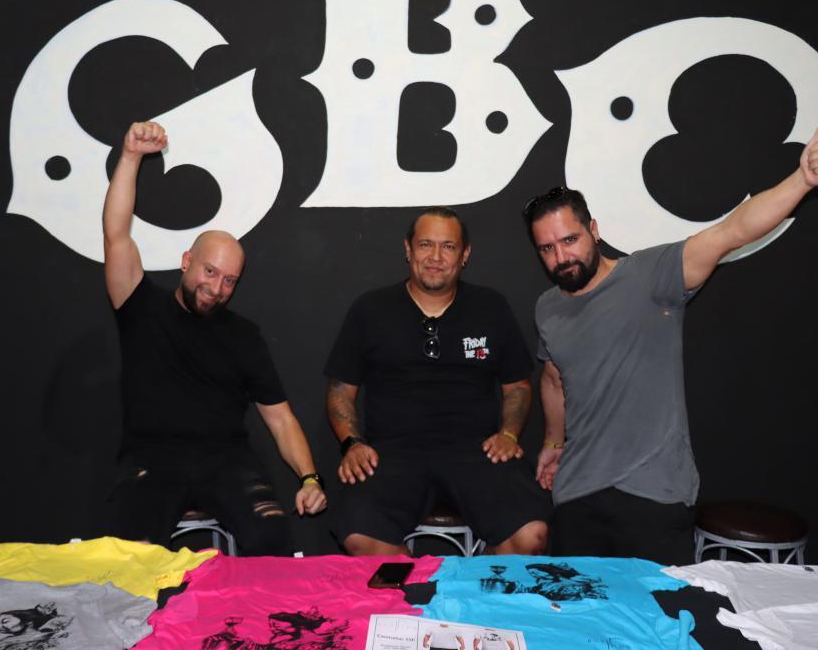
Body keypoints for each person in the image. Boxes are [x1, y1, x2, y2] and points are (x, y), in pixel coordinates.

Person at [524, 121, 818, 564]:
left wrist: (802, 180)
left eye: (570, 240)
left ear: (594, 229)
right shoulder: (547, 308)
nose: (562, 257)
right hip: (577, 493)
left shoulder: (651, 275)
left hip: (654, 493)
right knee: (577, 607)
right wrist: (553, 443)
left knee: (657, 608)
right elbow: (554, 378)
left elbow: (732, 231)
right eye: (547, 248)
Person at [103, 120, 326, 554]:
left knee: (272, 539)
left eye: (229, 280)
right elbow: (117, 234)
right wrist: (130, 157)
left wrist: (310, 477)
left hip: (227, 461)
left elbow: (280, 418)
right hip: (151, 458)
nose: (216, 287)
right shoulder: (139, 305)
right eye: (210, 271)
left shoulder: (244, 336)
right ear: (187, 261)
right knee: (132, 553)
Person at [324, 207, 550, 556]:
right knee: (358, 534)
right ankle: (419, 588)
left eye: (448, 246)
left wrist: (508, 435)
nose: (435, 257)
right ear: (408, 249)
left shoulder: (491, 307)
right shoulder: (371, 309)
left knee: (531, 533)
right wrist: (352, 444)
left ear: (465, 254)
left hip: (478, 452)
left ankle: (476, 588)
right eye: (425, 244)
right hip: (392, 455)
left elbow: (518, 386)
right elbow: (340, 390)